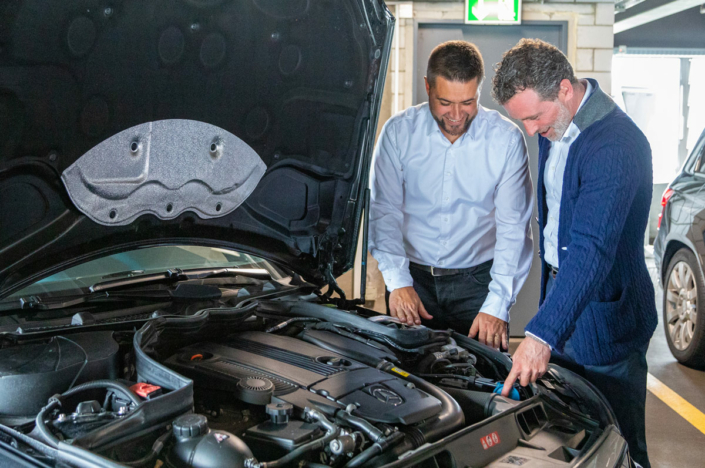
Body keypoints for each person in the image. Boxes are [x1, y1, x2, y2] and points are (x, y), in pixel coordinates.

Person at [492, 39, 657, 468]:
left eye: (533, 117)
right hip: (564, 305)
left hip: (606, 324)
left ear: (565, 89)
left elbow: (591, 249)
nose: (530, 131)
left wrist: (541, 334)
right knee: (572, 443)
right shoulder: (556, 125)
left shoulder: (616, 145)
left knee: (621, 446)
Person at [368, 40, 533, 349]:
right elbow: (384, 212)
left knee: (482, 385)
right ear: (428, 87)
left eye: (468, 102)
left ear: (479, 92)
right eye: (445, 102)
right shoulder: (398, 134)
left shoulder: (506, 141)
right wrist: (397, 281)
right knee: (406, 384)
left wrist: (497, 304)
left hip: (478, 287)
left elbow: (514, 230)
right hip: (412, 281)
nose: (457, 115)